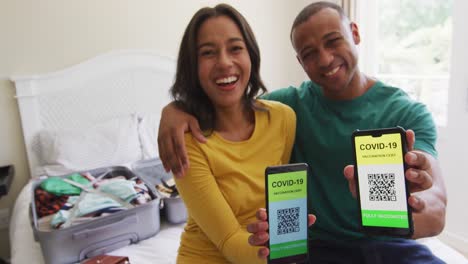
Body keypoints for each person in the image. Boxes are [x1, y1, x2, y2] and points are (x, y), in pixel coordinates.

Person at [159, 2, 447, 263]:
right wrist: (173, 110)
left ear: (355, 33)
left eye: (333, 41)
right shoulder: (289, 108)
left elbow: (435, 209)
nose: (324, 60)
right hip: (318, 247)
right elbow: (231, 102)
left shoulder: (406, 113)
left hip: (391, 244)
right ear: (300, 62)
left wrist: (405, 209)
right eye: (309, 54)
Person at [168, 4, 309, 264]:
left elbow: (279, 198)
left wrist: (289, 237)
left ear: (251, 56)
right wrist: (280, 249)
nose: (224, 62)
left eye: (235, 48)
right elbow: (230, 241)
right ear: (193, 66)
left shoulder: (283, 118)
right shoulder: (187, 140)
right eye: (208, 53)